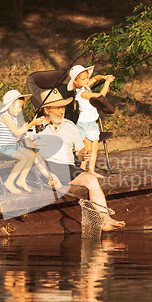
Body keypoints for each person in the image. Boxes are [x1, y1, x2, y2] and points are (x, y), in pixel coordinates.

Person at [31, 89, 125, 231]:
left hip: (67, 168)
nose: (61, 111)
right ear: (46, 110)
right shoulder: (34, 128)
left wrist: (83, 155)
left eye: (62, 107)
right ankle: (49, 180)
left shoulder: (70, 126)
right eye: (56, 107)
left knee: (91, 180)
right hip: (45, 167)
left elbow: (79, 152)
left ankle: (105, 220)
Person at [0, 90, 60, 194]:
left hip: (13, 145)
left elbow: (17, 136)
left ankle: (21, 180)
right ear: (11, 105)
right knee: (24, 158)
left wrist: (27, 126)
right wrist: (31, 124)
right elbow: (16, 131)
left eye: (21, 107)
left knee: (32, 154)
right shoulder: (5, 117)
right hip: (3, 147)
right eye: (19, 107)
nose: (20, 110)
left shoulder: (14, 118)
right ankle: (9, 182)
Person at [68, 65, 115, 179]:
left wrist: (104, 77)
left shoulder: (86, 86)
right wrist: (107, 83)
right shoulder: (82, 94)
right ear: (76, 82)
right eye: (83, 79)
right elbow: (100, 96)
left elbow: (95, 78)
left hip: (92, 123)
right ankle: (82, 171)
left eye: (86, 77)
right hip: (85, 124)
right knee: (87, 151)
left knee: (94, 149)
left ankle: (91, 170)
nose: (87, 80)